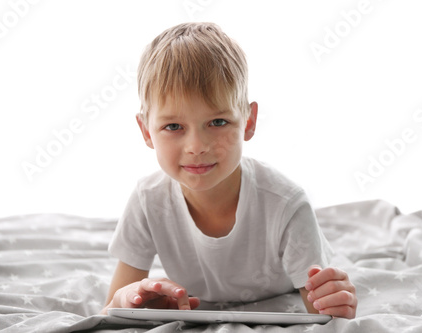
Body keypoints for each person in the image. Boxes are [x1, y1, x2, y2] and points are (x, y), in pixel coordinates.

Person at [101, 22, 357, 318]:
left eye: (218, 122)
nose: (196, 146)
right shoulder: (148, 201)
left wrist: (336, 303)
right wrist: (129, 301)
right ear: (146, 131)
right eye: (173, 126)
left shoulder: (286, 204)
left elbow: (324, 315)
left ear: (248, 122)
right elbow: (112, 309)